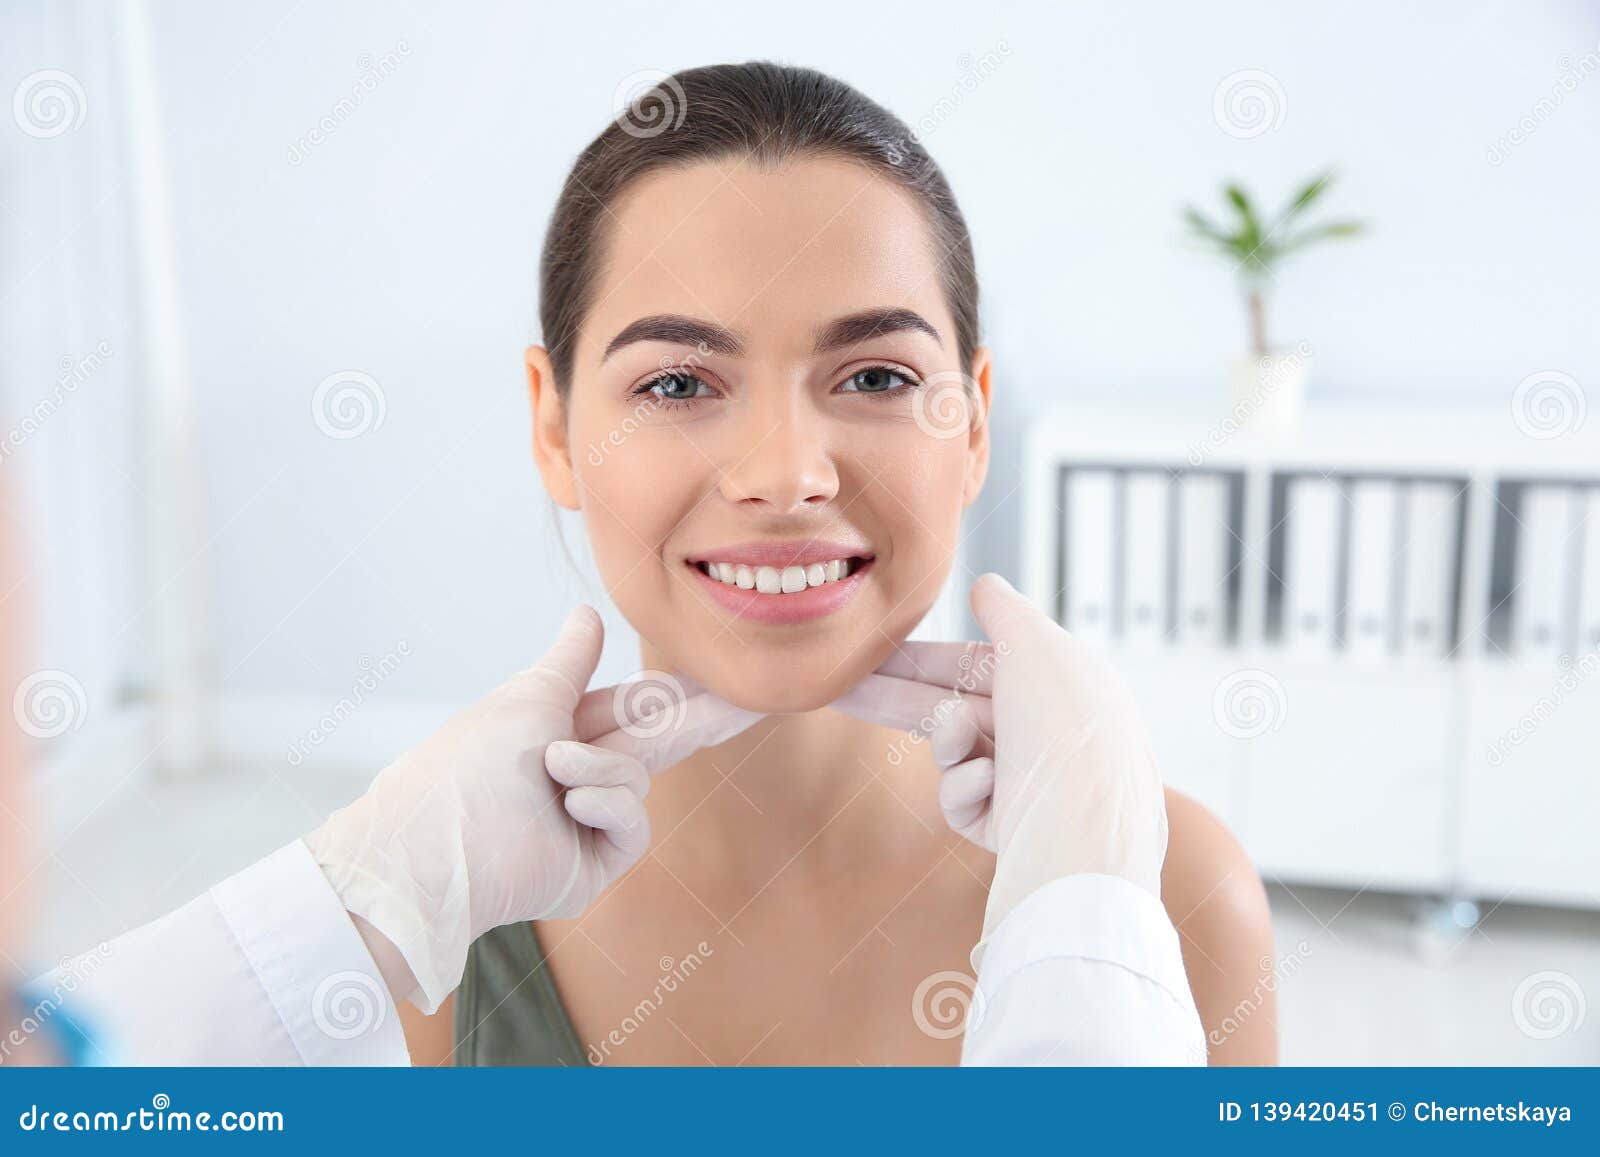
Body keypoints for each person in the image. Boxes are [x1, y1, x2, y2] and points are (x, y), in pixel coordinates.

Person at [403, 61, 1275, 1067]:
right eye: (679, 381)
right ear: (554, 426)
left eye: (873, 375)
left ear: (972, 421)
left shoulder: (1178, 900)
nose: (785, 475)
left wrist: (1091, 907)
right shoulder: (435, 925)